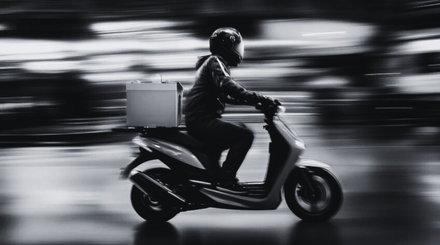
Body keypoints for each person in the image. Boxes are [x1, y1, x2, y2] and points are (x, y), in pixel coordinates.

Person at [184, 27, 280, 193]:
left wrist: (256, 103)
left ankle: (218, 176)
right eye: (235, 47)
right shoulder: (215, 61)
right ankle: (226, 180)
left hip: (201, 119)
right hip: (201, 120)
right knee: (245, 135)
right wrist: (259, 97)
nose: (238, 51)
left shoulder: (214, 64)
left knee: (241, 128)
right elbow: (228, 85)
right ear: (225, 47)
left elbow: (228, 96)